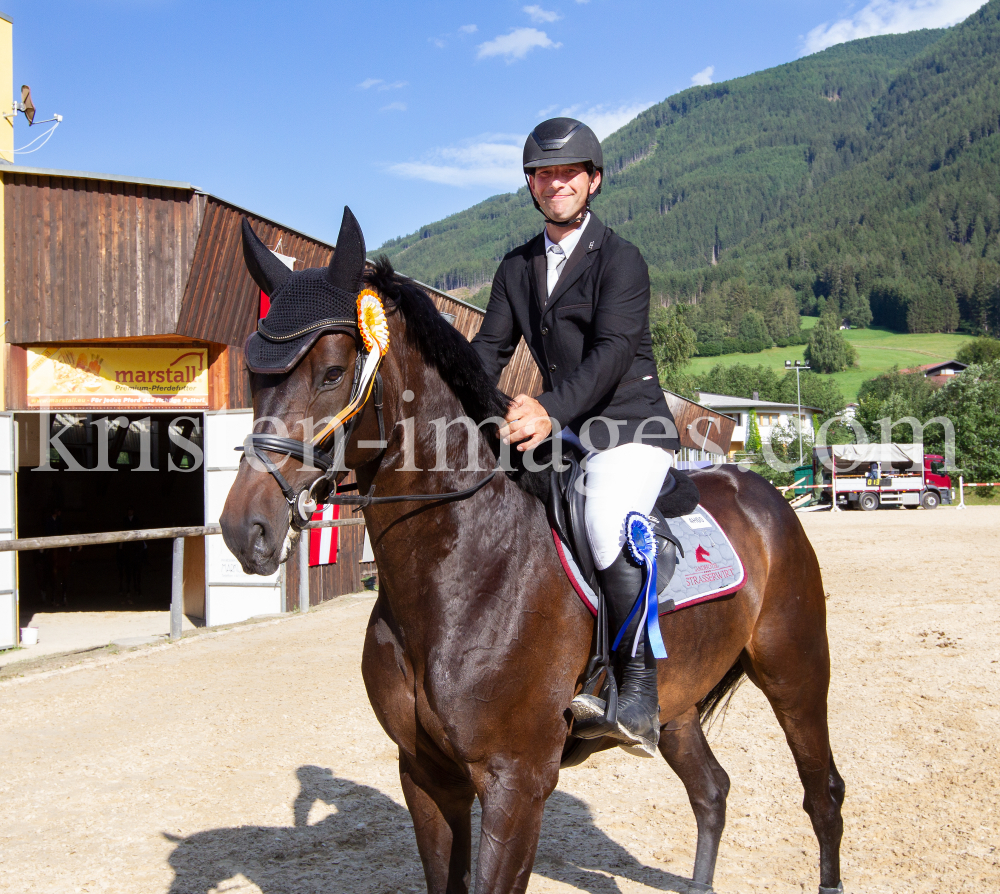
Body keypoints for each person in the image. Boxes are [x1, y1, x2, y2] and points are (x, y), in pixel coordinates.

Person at [471, 117, 680, 756]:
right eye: (543, 174)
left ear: (592, 180)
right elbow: (488, 351)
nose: (556, 183)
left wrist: (549, 413)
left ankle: (635, 691)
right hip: (563, 428)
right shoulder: (517, 266)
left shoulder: (620, 259)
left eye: (568, 173)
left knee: (605, 518)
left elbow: (613, 354)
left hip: (630, 426)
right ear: (531, 186)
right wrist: (451, 407)